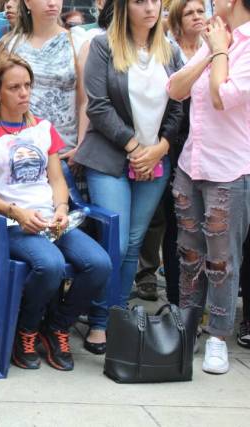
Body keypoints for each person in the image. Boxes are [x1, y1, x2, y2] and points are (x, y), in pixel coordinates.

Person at [0, 53, 110, 371]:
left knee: (99, 264)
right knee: (50, 265)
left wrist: (60, 208)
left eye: (27, 85)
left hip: (51, 220)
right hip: (8, 225)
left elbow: (57, 179)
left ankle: (56, 327)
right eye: (14, 87)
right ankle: (25, 330)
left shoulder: (44, 129)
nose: (24, 93)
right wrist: (15, 213)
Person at [74, 0, 183, 352]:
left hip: (155, 160)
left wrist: (161, 147)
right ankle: (98, 320)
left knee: (134, 242)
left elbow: (179, 103)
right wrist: (136, 148)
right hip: (110, 157)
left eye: (155, 1)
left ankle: (115, 317)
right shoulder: (104, 45)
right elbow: (98, 105)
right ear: (124, 7)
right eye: (140, 1)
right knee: (116, 243)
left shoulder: (170, 50)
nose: (150, 7)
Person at [167, 0, 250, 374]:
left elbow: (222, 97)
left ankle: (217, 334)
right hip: (191, 164)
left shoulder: (244, 45)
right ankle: (188, 326)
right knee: (189, 253)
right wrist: (212, 49)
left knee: (222, 259)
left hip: (228, 169)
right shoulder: (216, 38)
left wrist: (220, 51)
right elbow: (175, 88)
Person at [134, 0, 206, 303]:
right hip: (167, 142)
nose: (197, 17)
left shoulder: (212, 48)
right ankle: (149, 274)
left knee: (191, 223)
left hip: (201, 143)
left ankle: (188, 298)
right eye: (189, 12)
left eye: (201, 11)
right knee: (160, 218)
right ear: (177, 20)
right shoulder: (169, 50)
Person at [0, 0, 88, 165]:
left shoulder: (78, 41)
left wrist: (81, 145)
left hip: (66, 152)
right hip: (19, 151)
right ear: (27, 2)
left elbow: (85, 100)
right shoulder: (9, 44)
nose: (52, 3)